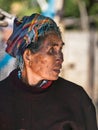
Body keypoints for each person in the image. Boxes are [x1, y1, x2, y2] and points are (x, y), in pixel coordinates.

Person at [0, 13, 97, 130]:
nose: (60, 58)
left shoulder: (76, 98)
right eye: (51, 50)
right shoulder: (3, 96)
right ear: (28, 55)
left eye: (60, 49)